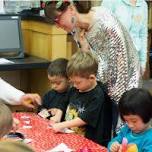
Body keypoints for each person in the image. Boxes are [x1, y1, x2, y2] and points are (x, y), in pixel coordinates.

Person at [44, 0, 140, 135]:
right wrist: (85, 49)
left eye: (57, 19)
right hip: (97, 79)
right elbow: (87, 61)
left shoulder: (106, 23)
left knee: (121, 128)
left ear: (71, 8)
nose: (58, 26)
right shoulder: (75, 27)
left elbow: (121, 67)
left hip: (123, 81)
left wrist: (99, 89)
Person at [51, 51, 112, 146]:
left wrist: (62, 125)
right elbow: (63, 102)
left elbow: (84, 119)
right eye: (73, 82)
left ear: (92, 78)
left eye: (78, 82)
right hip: (70, 135)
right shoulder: (75, 89)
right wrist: (58, 116)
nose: (74, 85)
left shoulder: (98, 96)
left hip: (87, 142)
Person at [102, 0, 148, 76]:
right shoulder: (110, 2)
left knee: (135, 87)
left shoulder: (143, 4)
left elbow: (142, 34)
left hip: (134, 60)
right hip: (114, 59)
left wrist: (142, 61)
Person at [38, 58, 69, 122]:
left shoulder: (72, 96)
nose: (54, 86)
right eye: (51, 82)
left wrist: (58, 112)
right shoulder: (49, 95)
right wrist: (48, 113)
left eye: (58, 83)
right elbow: (40, 110)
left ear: (69, 79)